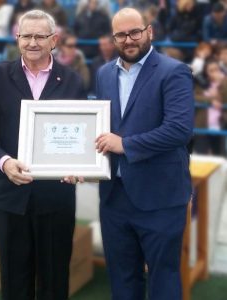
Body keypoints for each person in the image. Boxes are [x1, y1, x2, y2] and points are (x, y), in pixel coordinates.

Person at [0, 9, 85, 300]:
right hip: (8, 197)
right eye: (26, 36)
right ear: (17, 38)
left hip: (55, 197)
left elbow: (81, 133)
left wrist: (80, 163)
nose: (33, 42)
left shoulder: (72, 81)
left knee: (54, 280)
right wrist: (4, 161)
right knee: (14, 281)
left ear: (54, 40)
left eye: (40, 36)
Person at [95, 7, 194, 300]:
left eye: (134, 32)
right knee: (122, 279)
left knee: (163, 280)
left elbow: (179, 130)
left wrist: (124, 145)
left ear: (149, 31)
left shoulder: (174, 71)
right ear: (114, 38)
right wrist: (82, 161)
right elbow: (101, 128)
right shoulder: (103, 74)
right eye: (121, 34)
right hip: (114, 197)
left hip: (160, 198)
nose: (129, 40)